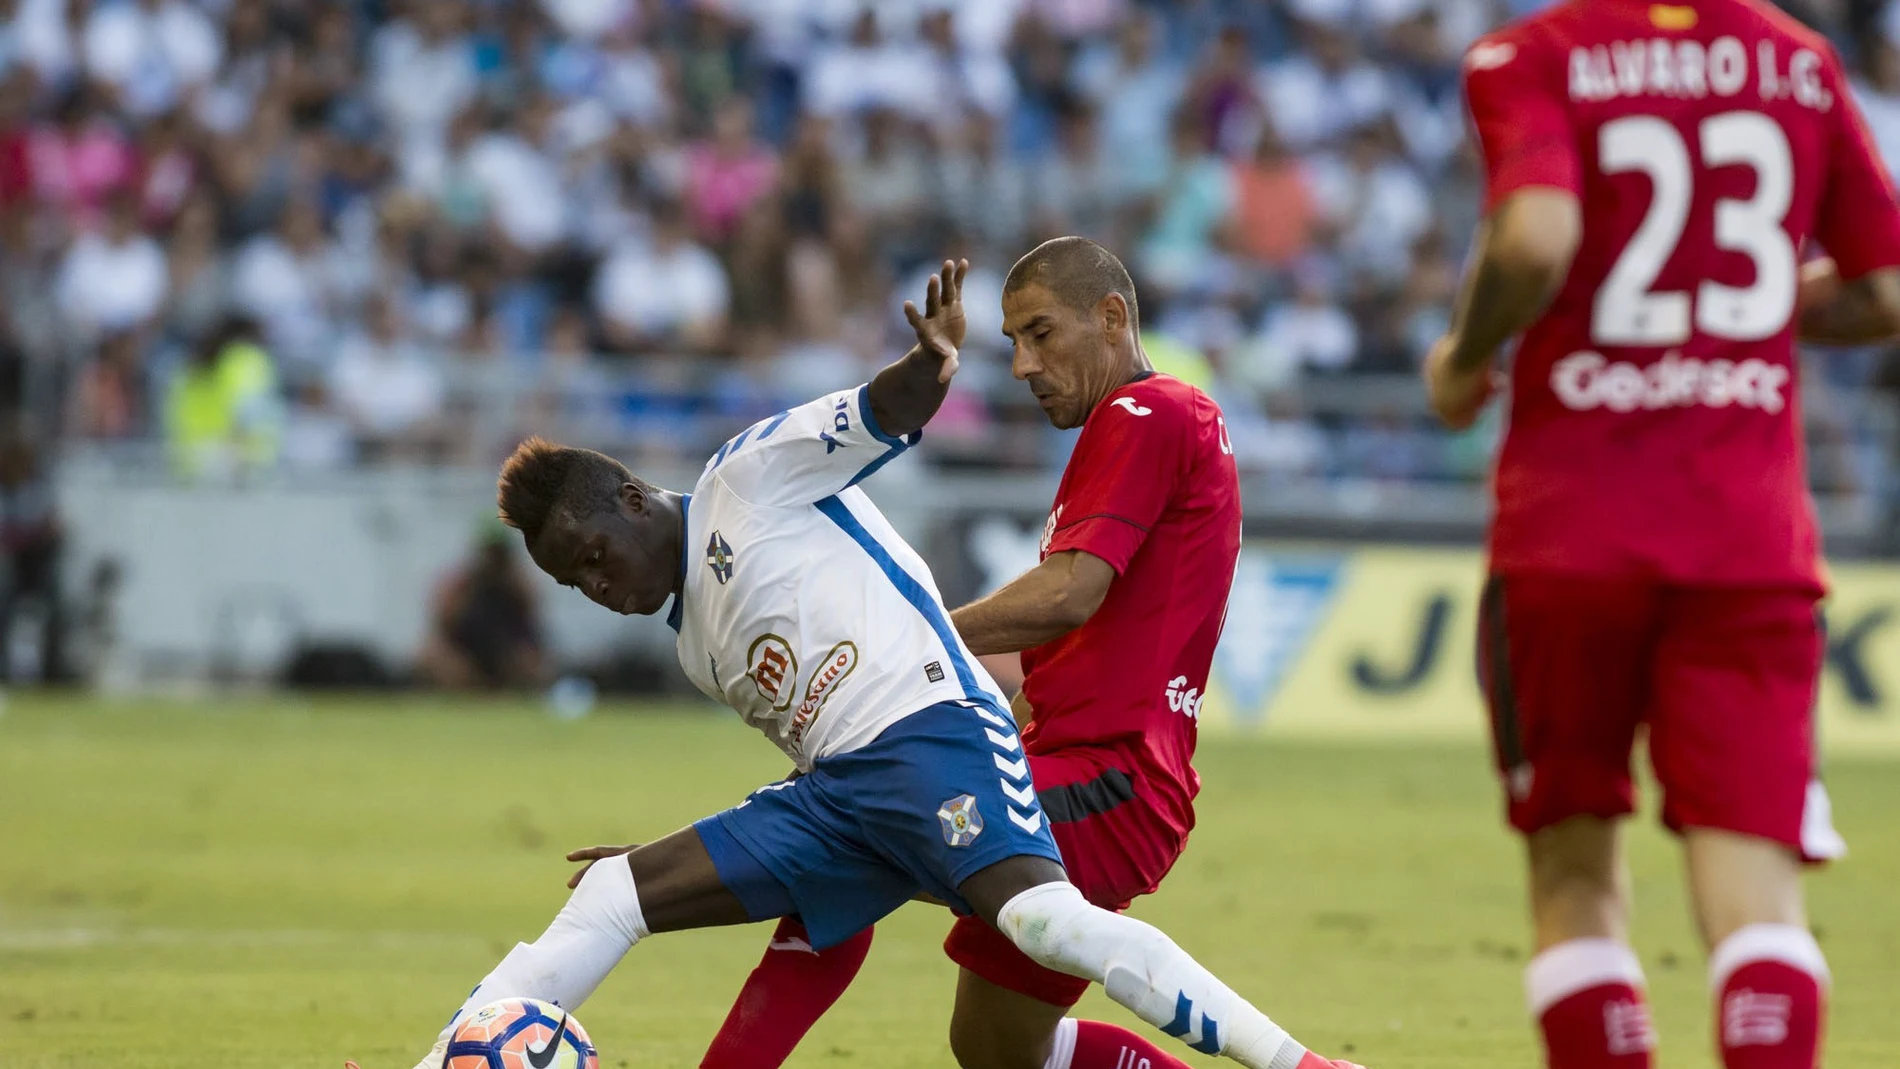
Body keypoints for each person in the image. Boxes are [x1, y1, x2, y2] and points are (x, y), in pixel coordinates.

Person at [348, 262, 1351, 1069]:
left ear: (636, 502)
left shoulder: (744, 475)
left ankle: (1301, 1065)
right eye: (575, 585)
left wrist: (933, 364)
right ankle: (446, 1056)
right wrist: (723, 836)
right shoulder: (697, 645)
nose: (597, 586)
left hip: (934, 741)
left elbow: (882, 411)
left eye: (595, 556)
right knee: (620, 890)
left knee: (1044, 923)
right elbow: (827, 738)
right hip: (850, 786)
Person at [697, 236, 1340, 1069]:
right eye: (1012, 344)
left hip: (1105, 781)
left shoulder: (1146, 412)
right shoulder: (1139, 427)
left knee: (840, 847)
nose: (1023, 365)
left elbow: (1070, 593)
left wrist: (913, 632)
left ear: (1111, 317)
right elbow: (1079, 641)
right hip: (1080, 766)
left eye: (1041, 333)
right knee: (997, 1048)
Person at [1423, 5, 1900, 1069]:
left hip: (1569, 535)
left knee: (1576, 875)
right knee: (1758, 900)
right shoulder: (1799, 63)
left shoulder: (1531, 55)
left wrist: (1464, 354)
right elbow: (1885, 287)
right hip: (1748, 543)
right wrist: (1750, 306)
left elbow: (1536, 238)